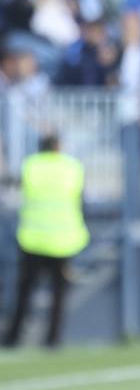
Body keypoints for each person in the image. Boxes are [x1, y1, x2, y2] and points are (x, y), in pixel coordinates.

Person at [2, 133, 88, 348]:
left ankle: (13, 337)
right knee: (59, 293)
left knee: (25, 291)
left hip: (33, 239)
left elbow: (15, 188)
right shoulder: (72, 167)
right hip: (63, 240)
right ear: (58, 146)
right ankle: (53, 339)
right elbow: (81, 199)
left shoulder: (31, 165)